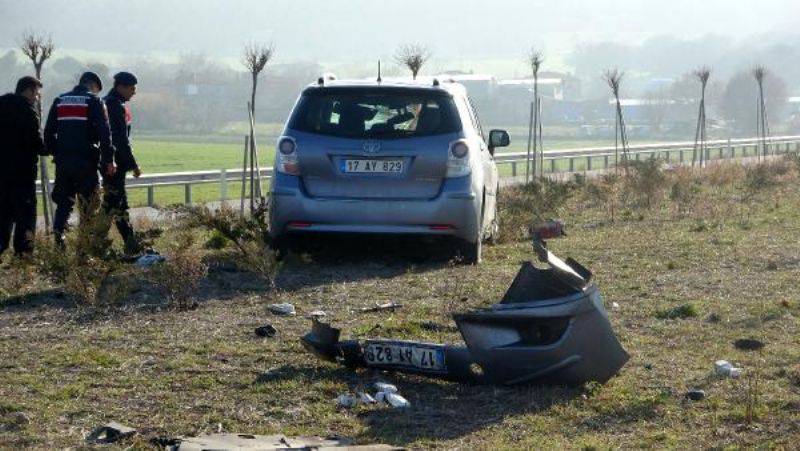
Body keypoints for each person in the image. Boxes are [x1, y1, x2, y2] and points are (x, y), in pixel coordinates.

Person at [43, 72, 115, 247]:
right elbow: (105, 134)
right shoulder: (94, 101)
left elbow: (48, 132)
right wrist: (109, 160)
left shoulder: (60, 100)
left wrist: (57, 153)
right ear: (93, 86)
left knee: (64, 203)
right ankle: (83, 250)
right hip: (86, 163)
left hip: (63, 163)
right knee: (88, 206)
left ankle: (59, 240)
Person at [0, 76, 46, 257]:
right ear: (28, 90)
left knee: (3, 213)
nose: (37, 98)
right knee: (25, 215)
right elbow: (35, 143)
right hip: (23, 174)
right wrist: (49, 148)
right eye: (36, 93)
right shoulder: (28, 112)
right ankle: (24, 253)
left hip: (1, 173)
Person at [103, 72, 141, 254]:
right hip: (114, 164)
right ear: (121, 87)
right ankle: (96, 243)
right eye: (132, 89)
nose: (134, 92)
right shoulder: (113, 105)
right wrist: (133, 164)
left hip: (113, 162)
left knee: (115, 204)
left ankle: (130, 242)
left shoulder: (114, 103)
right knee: (114, 204)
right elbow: (120, 139)